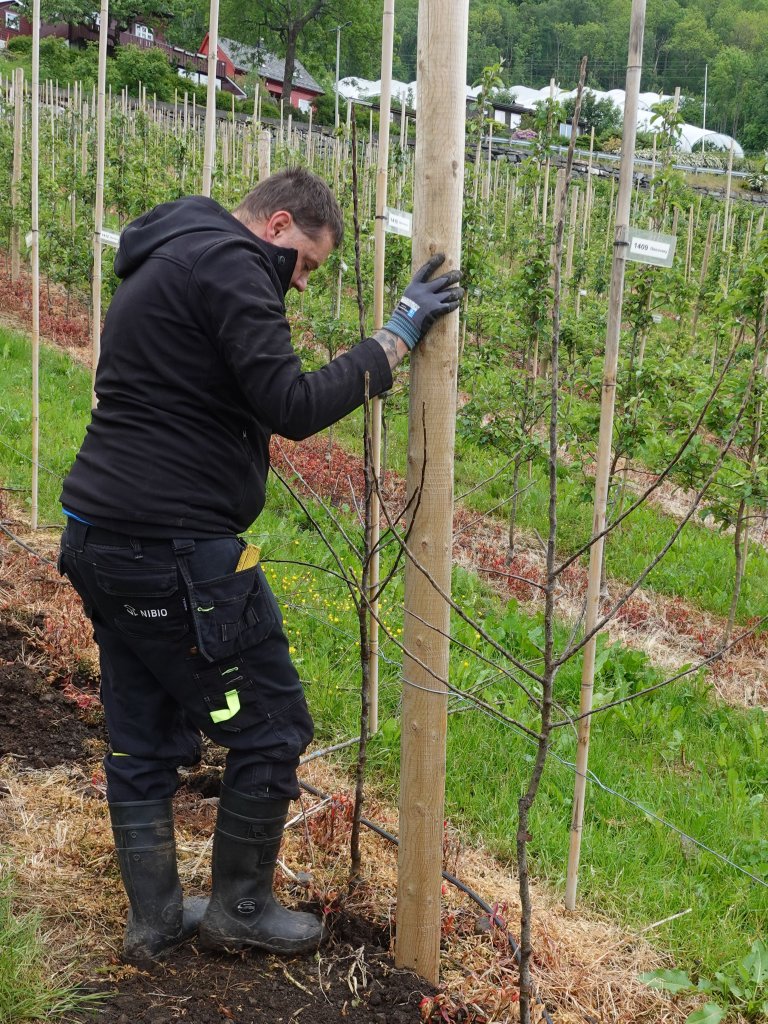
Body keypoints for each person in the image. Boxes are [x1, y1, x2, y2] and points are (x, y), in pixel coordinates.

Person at [58, 166, 462, 962]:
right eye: (305, 264)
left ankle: (157, 921)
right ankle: (240, 907)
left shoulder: (173, 250)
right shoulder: (232, 262)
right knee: (273, 726)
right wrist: (395, 337)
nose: (300, 284)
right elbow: (292, 406)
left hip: (101, 535)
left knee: (143, 740)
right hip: (172, 548)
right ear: (277, 225)